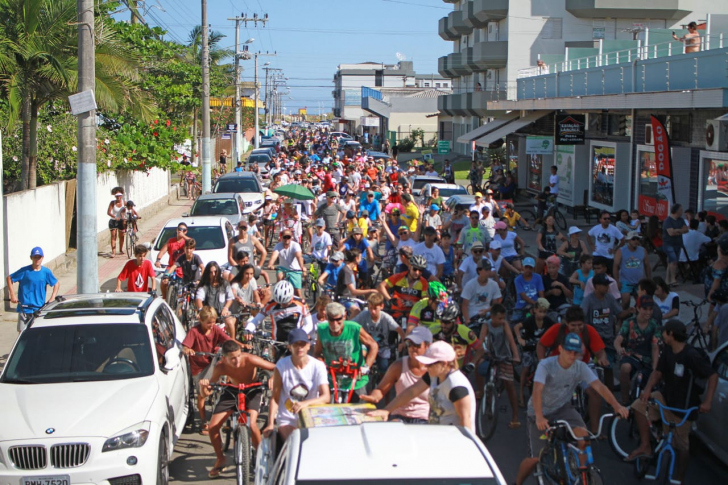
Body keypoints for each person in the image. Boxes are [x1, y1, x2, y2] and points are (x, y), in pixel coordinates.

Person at [515, 333, 629, 485]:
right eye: (569, 351)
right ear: (560, 349)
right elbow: (537, 391)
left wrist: (617, 405)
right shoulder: (546, 365)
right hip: (540, 411)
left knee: (583, 438)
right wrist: (539, 416)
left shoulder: (580, 367)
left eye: (576, 352)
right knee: (536, 458)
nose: (572, 355)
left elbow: (599, 387)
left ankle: (582, 474)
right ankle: (517, 483)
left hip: (563, 408)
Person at [626, 320, 717, 482]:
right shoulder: (667, 351)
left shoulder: (691, 356)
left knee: (682, 446)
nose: (663, 336)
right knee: (638, 406)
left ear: (671, 335)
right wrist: (647, 390)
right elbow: (658, 373)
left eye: (665, 333)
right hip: (665, 398)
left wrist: (708, 401)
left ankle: (679, 478)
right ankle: (646, 445)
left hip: (684, 406)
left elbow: (713, 376)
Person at [200, 340, 275, 477]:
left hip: (252, 390)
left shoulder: (250, 359)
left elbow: (276, 367)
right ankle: (221, 458)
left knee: (251, 424)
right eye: (232, 358)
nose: (237, 360)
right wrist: (203, 386)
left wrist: (273, 377)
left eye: (239, 355)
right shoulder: (220, 367)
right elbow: (208, 391)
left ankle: (261, 457)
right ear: (224, 358)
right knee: (213, 427)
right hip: (232, 391)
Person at [367, 341, 476, 431]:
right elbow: (412, 391)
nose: (426, 367)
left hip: (452, 442)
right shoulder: (434, 375)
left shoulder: (456, 387)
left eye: (430, 364)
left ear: (444, 364)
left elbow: (466, 419)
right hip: (437, 434)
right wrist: (387, 410)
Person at [262, 329, 330, 442]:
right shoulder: (282, 365)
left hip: (311, 416)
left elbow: (326, 397)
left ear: (308, 346)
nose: (300, 348)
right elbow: (275, 397)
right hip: (288, 418)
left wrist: (305, 404)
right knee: (294, 444)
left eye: (302, 344)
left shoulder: (318, 366)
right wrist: (270, 424)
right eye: (295, 345)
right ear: (289, 347)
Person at [360, 326, 432, 423]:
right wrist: (374, 397)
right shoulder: (398, 366)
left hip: (424, 418)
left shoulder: (433, 369)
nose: (412, 348)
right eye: (409, 344)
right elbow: (381, 389)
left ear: (428, 346)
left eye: (417, 345)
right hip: (399, 415)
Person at [181, 306, 231, 435]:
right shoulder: (194, 331)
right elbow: (185, 347)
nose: (211, 325)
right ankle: (203, 421)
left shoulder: (215, 329)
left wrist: (240, 346)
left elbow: (228, 340)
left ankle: (226, 382)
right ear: (201, 321)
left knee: (223, 352)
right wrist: (188, 350)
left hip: (211, 363)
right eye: (209, 322)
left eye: (213, 322)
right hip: (198, 368)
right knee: (202, 395)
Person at [314, 302, 379, 402]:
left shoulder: (354, 328)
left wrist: (366, 367)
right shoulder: (322, 329)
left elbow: (373, 345)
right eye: (331, 320)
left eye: (338, 320)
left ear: (344, 316)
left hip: (356, 377)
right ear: (326, 317)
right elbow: (317, 352)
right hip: (332, 378)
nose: (334, 324)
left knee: (360, 410)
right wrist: (322, 366)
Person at [478, 303, 521, 428]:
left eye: (503, 318)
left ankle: (515, 417)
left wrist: (516, 355)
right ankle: (481, 393)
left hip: (505, 356)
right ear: (491, 317)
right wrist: (480, 353)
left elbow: (512, 342)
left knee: (509, 385)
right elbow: (481, 341)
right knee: (479, 367)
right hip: (491, 355)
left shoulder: (505, 325)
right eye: (499, 318)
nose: (502, 321)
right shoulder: (486, 325)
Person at [614, 295, 661, 404]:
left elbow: (655, 347)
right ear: (638, 308)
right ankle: (625, 401)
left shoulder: (654, 325)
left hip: (647, 357)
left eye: (650, 309)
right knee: (625, 368)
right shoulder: (629, 322)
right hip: (631, 355)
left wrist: (655, 366)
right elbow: (618, 340)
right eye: (645, 309)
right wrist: (619, 348)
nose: (648, 312)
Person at [6, 246, 59, 333]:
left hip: (39, 309)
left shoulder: (46, 272)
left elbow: (56, 283)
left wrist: (52, 297)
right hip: (24, 309)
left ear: (42, 258)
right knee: (22, 334)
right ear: (31, 258)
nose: (37, 259)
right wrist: (12, 294)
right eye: (35, 257)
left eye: (39, 257)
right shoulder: (24, 271)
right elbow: (9, 278)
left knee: (38, 334)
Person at [513, 298, 555, 407]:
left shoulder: (548, 321)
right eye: (540, 311)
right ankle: (521, 393)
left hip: (541, 348)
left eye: (544, 312)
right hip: (529, 347)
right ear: (535, 310)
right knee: (526, 368)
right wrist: (519, 339)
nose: (542, 314)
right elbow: (517, 327)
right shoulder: (529, 320)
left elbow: (556, 329)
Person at [245, 280, 314, 344]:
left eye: (285, 303)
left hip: (296, 341)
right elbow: (257, 319)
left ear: (291, 297)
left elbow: (309, 324)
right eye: (279, 303)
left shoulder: (301, 303)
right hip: (278, 342)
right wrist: (248, 329)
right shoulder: (271, 305)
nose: (282, 305)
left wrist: (300, 335)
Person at [354, 293, 405, 371]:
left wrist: (403, 342)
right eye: (370, 308)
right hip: (366, 345)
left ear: (382, 306)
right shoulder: (364, 314)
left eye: (375, 308)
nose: (372, 311)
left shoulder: (386, 318)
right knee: (360, 355)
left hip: (382, 347)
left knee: (384, 368)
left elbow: (400, 330)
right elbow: (352, 324)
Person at [378, 255, 429, 321]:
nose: (417, 273)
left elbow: (425, 301)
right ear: (410, 267)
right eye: (415, 269)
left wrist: (413, 303)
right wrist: (390, 300)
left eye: (420, 270)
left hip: (413, 315)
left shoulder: (424, 283)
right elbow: (381, 286)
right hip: (396, 313)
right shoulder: (398, 277)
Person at [195, 262, 236, 338]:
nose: (213, 274)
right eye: (211, 272)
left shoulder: (225, 283)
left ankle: (232, 342)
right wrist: (201, 311)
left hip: (222, 313)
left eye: (215, 272)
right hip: (209, 314)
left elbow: (230, 298)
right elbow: (199, 298)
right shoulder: (205, 285)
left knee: (230, 322)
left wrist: (226, 308)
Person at [614, 231, 651, 310]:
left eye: (637, 239)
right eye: (633, 239)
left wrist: (648, 279)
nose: (636, 241)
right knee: (626, 301)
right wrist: (617, 281)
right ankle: (622, 318)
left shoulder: (643, 250)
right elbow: (615, 266)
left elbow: (647, 265)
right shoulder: (621, 251)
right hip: (625, 281)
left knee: (641, 303)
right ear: (628, 241)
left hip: (639, 281)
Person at [336, 249, 379, 317]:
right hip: (344, 299)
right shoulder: (346, 271)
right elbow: (353, 291)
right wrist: (371, 290)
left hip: (351, 298)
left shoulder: (350, 269)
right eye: (361, 258)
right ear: (356, 258)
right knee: (357, 311)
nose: (361, 259)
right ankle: (345, 326)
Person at [460, 259, 503, 326]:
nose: (488, 272)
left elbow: (496, 304)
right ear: (479, 271)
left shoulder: (494, 284)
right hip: (473, 316)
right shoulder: (470, 285)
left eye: (489, 270)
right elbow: (464, 305)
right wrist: (467, 320)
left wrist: (487, 310)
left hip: (488, 315)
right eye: (486, 270)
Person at [156, 221, 192, 298]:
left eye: (184, 230)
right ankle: (165, 298)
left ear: (186, 232)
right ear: (176, 230)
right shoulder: (170, 241)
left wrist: (183, 236)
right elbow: (162, 251)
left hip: (182, 268)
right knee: (164, 282)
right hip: (171, 267)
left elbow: (191, 242)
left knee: (182, 288)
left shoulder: (186, 242)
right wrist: (158, 260)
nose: (181, 231)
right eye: (180, 229)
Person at [268, 228, 306, 299]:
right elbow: (274, 256)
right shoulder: (278, 246)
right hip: (282, 268)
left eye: (288, 237)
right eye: (285, 237)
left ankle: (302, 306)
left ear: (291, 237)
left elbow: (299, 257)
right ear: (281, 237)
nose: (286, 239)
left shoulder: (295, 245)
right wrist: (270, 264)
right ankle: (279, 297)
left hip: (294, 270)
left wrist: (302, 267)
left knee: (298, 292)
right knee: (279, 276)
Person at [588, 211, 624, 275]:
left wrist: (615, 250)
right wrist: (591, 245)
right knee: (596, 274)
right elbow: (588, 235)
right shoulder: (596, 228)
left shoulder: (614, 229)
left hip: (609, 256)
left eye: (608, 218)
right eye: (605, 218)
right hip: (597, 254)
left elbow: (622, 239)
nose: (607, 220)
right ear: (600, 220)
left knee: (611, 274)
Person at [663, 203, 689, 287]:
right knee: (673, 261)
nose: (682, 212)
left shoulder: (681, 220)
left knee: (671, 261)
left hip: (678, 243)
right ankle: (673, 279)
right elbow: (671, 233)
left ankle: (667, 280)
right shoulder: (668, 221)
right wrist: (680, 230)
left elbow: (686, 230)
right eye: (681, 210)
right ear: (676, 211)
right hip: (669, 243)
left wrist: (677, 231)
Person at [513, 257, 545, 322]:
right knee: (515, 321)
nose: (528, 269)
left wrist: (541, 304)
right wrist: (535, 303)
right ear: (522, 267)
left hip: (535, 305)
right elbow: (523, 296)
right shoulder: (517, 280)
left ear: (533, 269)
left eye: (530, 268)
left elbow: (541, 293)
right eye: (526, 267)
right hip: (521, 306)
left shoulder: (538, 277)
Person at [107, 187, 126, 257]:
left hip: (121, 221)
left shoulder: (124, 202)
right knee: (113, 236)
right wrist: (115, 217)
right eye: (117, 196)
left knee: (121, 236)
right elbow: (108, 212)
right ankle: (113, 252)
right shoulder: (112, 203)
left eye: (119, 196)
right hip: (113, 221)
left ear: (121, 196)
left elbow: (130, 208)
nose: (118, 197)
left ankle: (120, 249)